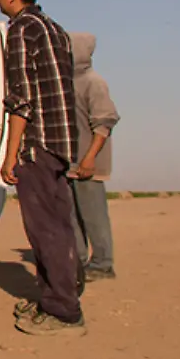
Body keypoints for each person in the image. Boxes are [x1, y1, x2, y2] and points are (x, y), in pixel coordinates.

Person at [0, 0, 84, 336]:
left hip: (36, 143)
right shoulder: (53, 29)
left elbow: (21, 99)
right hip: (60, 140)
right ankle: (59, 294)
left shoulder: (23, 30)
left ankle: (63, 310)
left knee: (45, 229)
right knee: (59, 225)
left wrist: (11, 154)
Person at [68, 32, 120, 282]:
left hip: (88, 162)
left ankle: (102, 264)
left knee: (93, 216)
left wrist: (89, 159)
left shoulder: (93, 82)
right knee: (71, 216)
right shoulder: (66, 82)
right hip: (69, 162)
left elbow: (104, 122)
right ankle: (78, 262)